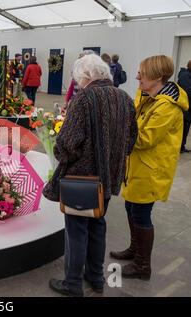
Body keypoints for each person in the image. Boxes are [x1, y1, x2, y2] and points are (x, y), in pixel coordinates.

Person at [43, 54, 138, 297]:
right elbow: (131, 140)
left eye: (77, 79)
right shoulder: (125, 98)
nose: (77, 83)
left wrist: (62, 155)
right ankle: (96, 278)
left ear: (86, 76)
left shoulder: (84, 98)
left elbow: (66, 143)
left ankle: (73, 284)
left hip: (82, 180)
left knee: (76, 230)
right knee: (98, 225)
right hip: (109, 177)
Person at [111, 56, 189, 281]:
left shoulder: (168, 107)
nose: (136, 77)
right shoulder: (149, 97)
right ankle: (135, 250)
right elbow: (133, 121)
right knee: (130, 207)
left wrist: (115, 131)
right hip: (137, 166)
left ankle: (143, 265)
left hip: (151, 169)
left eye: (141, 74)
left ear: (156, 77)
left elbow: (144, 138)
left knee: (141, 214)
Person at [177, 60, 191, 153]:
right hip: (185, 107)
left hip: (188, 107)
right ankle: (179, 146)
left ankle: (182, 146)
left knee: (186, 127)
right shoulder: (185, 76)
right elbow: (187, 91)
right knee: (183, 127)